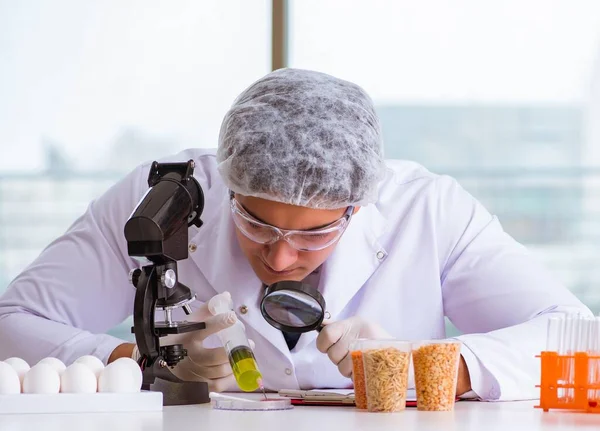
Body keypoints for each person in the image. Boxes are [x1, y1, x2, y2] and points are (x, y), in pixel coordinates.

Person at [0, 68, 591, 400]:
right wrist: (141, 359)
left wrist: (428, 367)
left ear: (359, 207)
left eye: (316, 233)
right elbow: (12, 322)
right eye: (255, 221)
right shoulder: (160, 201)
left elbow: (579, 341)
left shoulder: (429, 212)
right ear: (228, 186)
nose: (281, 256)